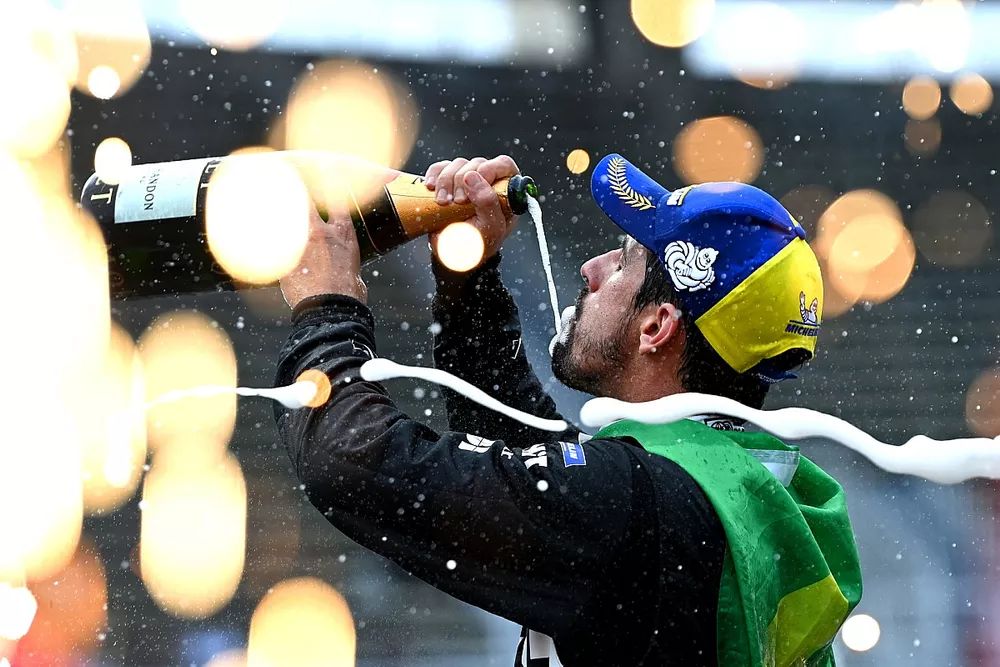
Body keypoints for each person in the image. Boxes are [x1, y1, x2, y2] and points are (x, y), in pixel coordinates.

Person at [274, 153, 864, 667]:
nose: (592, 268)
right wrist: (469, 276)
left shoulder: (640, 503)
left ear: (657, 328)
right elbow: (544, 464)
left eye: (626, 259)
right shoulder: (730, 486)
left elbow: (352, 458)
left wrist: (327, 307)